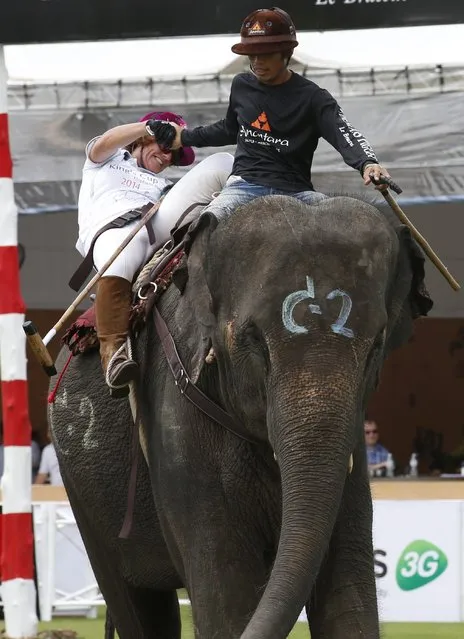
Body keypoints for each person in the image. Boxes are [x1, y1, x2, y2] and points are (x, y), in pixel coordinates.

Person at [167, 7, 392, 219]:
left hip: (298, 193)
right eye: (251, 55)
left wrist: (367, 163)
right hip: (243, 185)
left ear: (287, 52)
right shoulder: (241, 84)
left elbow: (343, 133)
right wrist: (184, 137)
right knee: (204, 226)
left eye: (265, 54)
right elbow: (228, 129)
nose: (257, 62)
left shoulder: (315, 97)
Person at [75, 111, 234, 397]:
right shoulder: (105, 161)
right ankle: (113, 355)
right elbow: (105, 142)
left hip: (157, 228)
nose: (167, 158)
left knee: (223, 163)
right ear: (144, 139)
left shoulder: (163, 186)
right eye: (165, 147)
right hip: (115, 232)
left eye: (174, 155)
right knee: (121, 253)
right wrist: (148, 126)